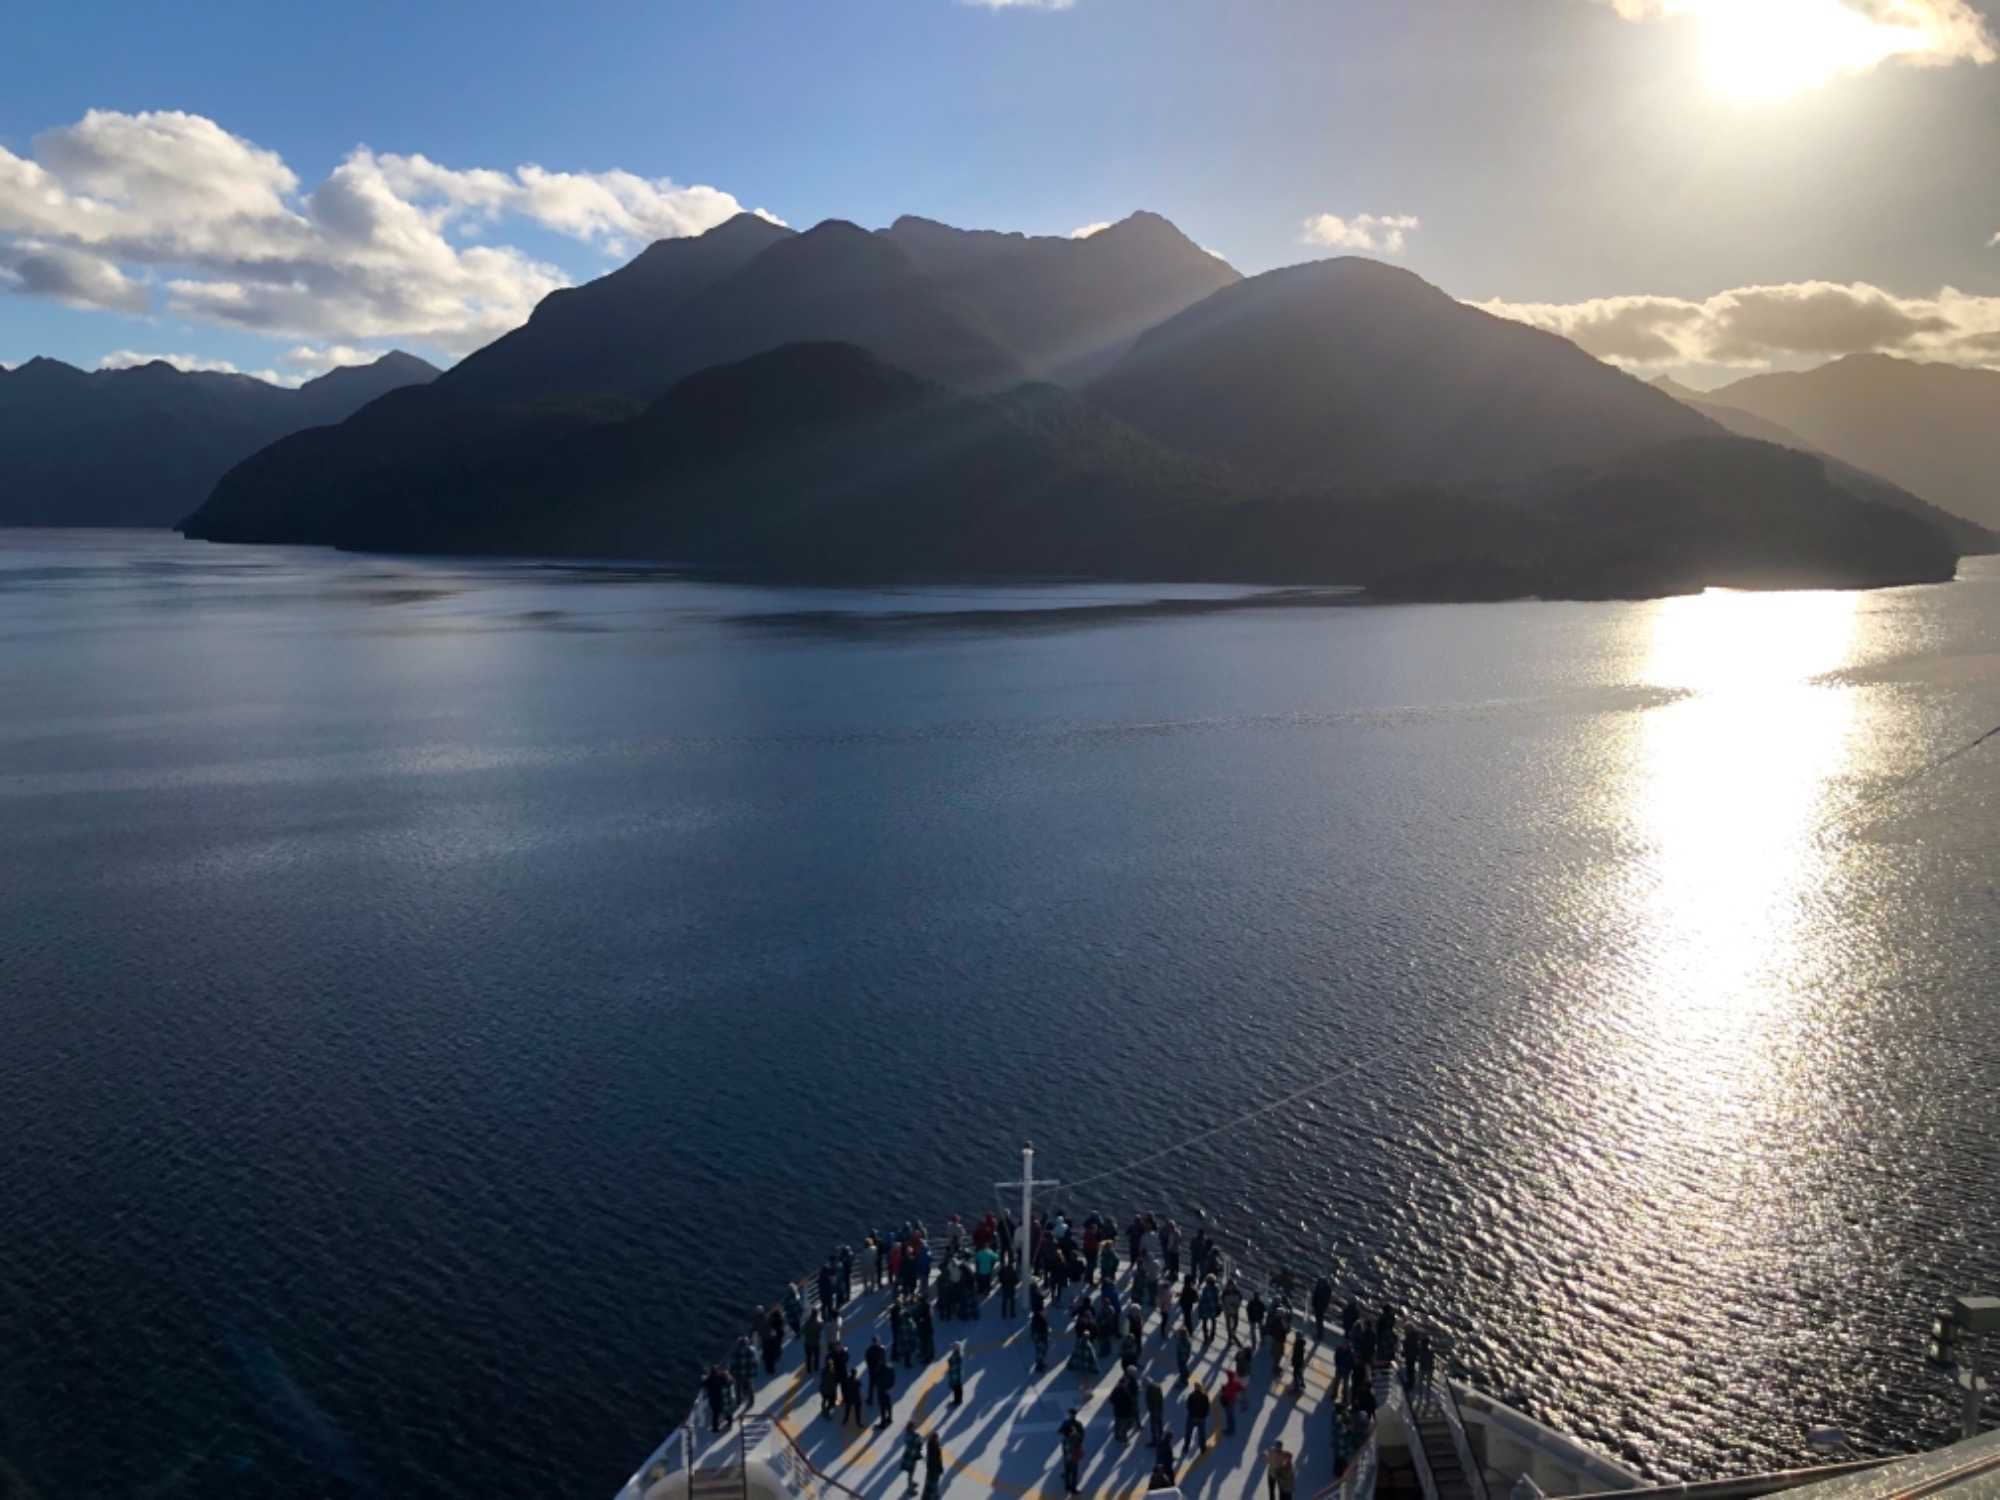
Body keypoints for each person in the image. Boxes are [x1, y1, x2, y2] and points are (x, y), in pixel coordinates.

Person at [1058, 1408, 1086, 1495]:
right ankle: (1073, 1488)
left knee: (1067, 1468)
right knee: (1074, 1471)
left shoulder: (1066, 1423)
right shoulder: (1078, 1424)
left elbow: (1059, 1431)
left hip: (1067, 1450)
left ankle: (1067, 1486)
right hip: (1074, 1452)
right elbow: (1082, 1435)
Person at [730, 1335, 758, 1417]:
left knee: (737, 1388)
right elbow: (755, 1363)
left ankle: (738, 1401)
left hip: (738, 1375)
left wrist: (731, 1373)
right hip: (749, 1374)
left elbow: (732, 1365)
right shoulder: (752, 1350)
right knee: (750, 1388)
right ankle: (751, 1401)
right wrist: (754, 1373)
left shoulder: (735, 1352)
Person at [703, 1363, 731, 1433]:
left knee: (715, 1414)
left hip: (713, 1400)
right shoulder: (721, 1377)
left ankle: (715, 1428)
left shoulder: (709, 1380)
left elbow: (703, 1384)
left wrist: (705, 1377)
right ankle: (729, 1423)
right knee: (726, 1411)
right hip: (722, 1398)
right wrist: (725, 1374)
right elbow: (728, 1382)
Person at [1185, 1378, 1211, 1452]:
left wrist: (1191, 1413)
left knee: (1188, 1433)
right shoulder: (1205, 1396)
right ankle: (1203, 1448)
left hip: (1192, 1417)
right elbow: (1207, 1407)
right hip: (1201, 1418)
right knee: (1202, 1434)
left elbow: (1188, 1406)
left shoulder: (1191, 1396)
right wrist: (1204, 1415)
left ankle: (1186, 1447)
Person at [1112, 1370, 1138, 1443]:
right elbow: (1130, 1401)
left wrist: (1116, 1404)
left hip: (1117, 1411)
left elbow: (1111, 1399)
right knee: (1125, 1426)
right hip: (1125, 1412)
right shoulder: (1126, 1391)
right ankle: (1124, 1440)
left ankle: (1117, 1435)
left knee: (1118, 1424)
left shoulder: (1116, 1390)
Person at [1220, 1367, 1245, 1435]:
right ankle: (1231, 1429)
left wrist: (1223, 1389)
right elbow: (1241, 1388)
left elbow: (1226, 1392)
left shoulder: (1230, 1384)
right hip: (1232, 1402)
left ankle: (1230, 1430)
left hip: (1228, 1402)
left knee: (1229, 1417)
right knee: (1231, 1416)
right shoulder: (1235, 1383)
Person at [901, 1421, 923, 1493]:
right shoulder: (913, 1436)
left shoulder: (907, 1435)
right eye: (913, 1427)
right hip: (911, 1457)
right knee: (911, 1471)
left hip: (909, 1455)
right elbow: (917, 1443)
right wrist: (918, 1439)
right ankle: (910, 1488)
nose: (914, 1428)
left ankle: (911, 1482)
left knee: (911, 1472)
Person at [1198, 1275, 1221, 1344]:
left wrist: (1200, 1308)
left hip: (1205, 1308)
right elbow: (1218, 1299)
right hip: (1213, 1308)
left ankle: (1206, 1338)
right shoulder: (1216, 1289)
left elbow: (1202, 1299)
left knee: (1204, 1323)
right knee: (1213, 1321)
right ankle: (1212, 1335)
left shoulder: (1205, 1289)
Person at [923, 1432, 945, 1500]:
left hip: (930, 1469)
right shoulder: (936, 1448)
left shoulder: (929, 1445)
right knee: (934, 1484)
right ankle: (934, 1497)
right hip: (935, 1470)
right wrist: (940, 1468)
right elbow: (938, 1460)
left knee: (929, 1483)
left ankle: (928, 1496)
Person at [1145, 1375, 1166, 1445]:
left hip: (1154, 1411)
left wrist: (1152, 1410)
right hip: (1159, 1409)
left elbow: (1151, 1401)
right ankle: (1160, 1436)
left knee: (1153, 1426)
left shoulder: (1150, 1390)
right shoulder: (1158, 1387)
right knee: (1159, 1423)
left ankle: (1155, 1440)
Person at [877, 1360, 898, 1428]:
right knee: (888, 1404)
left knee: (882, 1407)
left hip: (882, 1389)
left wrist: (878, 1386)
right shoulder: (890, 1368)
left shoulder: (880, 1370)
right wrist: (891, 1386)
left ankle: (883, 1423)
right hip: (889, 1388)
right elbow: (893, 1377)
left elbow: (878, 1380)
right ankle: (890, 1418)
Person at [802, 1306, 824, 1374]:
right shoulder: (818, 1323)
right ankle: (816, 1368)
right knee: (816, 1356)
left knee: (808, 1357)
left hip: (807, 1342)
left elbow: (803, 1331)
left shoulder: (807, 1322)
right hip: (816, 1342)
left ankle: (809, 1369)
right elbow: (821, 1327)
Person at [1334, 1337, 1355, 1403]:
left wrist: (1349, 1369)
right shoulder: (1339, 1350)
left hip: (1346, 1371)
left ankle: (1344, 1398)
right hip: (1340, 1368)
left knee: (1345, 1385)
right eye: (1344, 1345)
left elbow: (1352, 1363)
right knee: (1337, 1382)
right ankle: (1335, 1394)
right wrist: (1337, 1365)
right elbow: (1336, 1358)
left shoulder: (1351, 1353)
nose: (1345, 1346)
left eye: (1346, 1345)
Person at [1031, 1305, 1051, 1371]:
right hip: (1040, 1338)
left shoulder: (1040, 1318)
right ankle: (1039, 1366)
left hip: (1041, 1337)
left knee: (1042, 1351)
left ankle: (1040, 1364)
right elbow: (1038, 1329)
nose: (1045, 1312)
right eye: (1044, 1311)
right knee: (1040, 1352)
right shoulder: (1038, 1319)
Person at [948, 1341, 966, 1407]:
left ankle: (958, 1401)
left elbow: (955, 1366)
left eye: (953, 1347)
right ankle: (957, 1400)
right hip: (956, 1374)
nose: (952, 1348)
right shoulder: (956, 1355)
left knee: (957, 1388)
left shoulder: (957, 1356)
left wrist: (953, 1376)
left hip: (956, 1375)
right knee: (957, 1388)